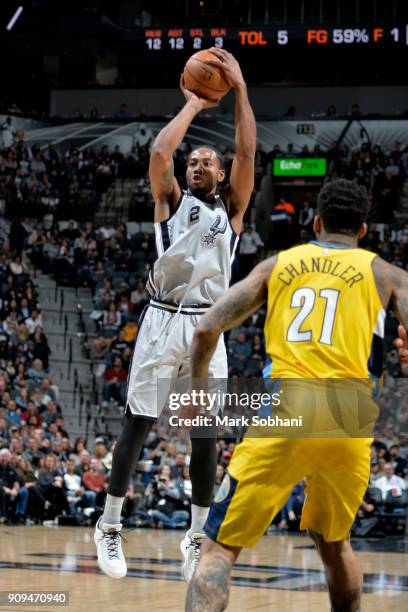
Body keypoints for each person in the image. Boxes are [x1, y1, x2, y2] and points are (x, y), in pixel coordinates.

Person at [185, 178, 408, 612]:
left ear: (316, 222)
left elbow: (205, 328)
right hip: (351, 419)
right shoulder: (389, 274)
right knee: (335, 545)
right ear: (362, 231)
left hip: (289, 407)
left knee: (218, 550)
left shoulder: (277, 265)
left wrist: (197, 395)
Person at [94, 47, 256, 582]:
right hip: (163, 318)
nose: (198, 164)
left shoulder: (231, 212)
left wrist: (241, 92)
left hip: (208, 325)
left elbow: (249, 155)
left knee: (203, 435)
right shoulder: (169, 202)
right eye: (195, 162)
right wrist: (191, 105)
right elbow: (159, 156)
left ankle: (196, 537)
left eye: (208, 161)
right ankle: (110, 524)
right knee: (137, 424)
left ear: (221, 173)